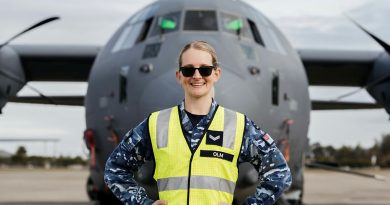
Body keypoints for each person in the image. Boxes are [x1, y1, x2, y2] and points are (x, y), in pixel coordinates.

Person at [104, 40, 292, 205]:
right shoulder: (156, 124)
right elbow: (114, 169)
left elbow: (279, 172)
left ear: (216, 74)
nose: (196, 75)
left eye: (204, 69)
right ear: (179, 76)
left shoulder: (238, 126)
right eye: (188, 70)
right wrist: (142, 203)